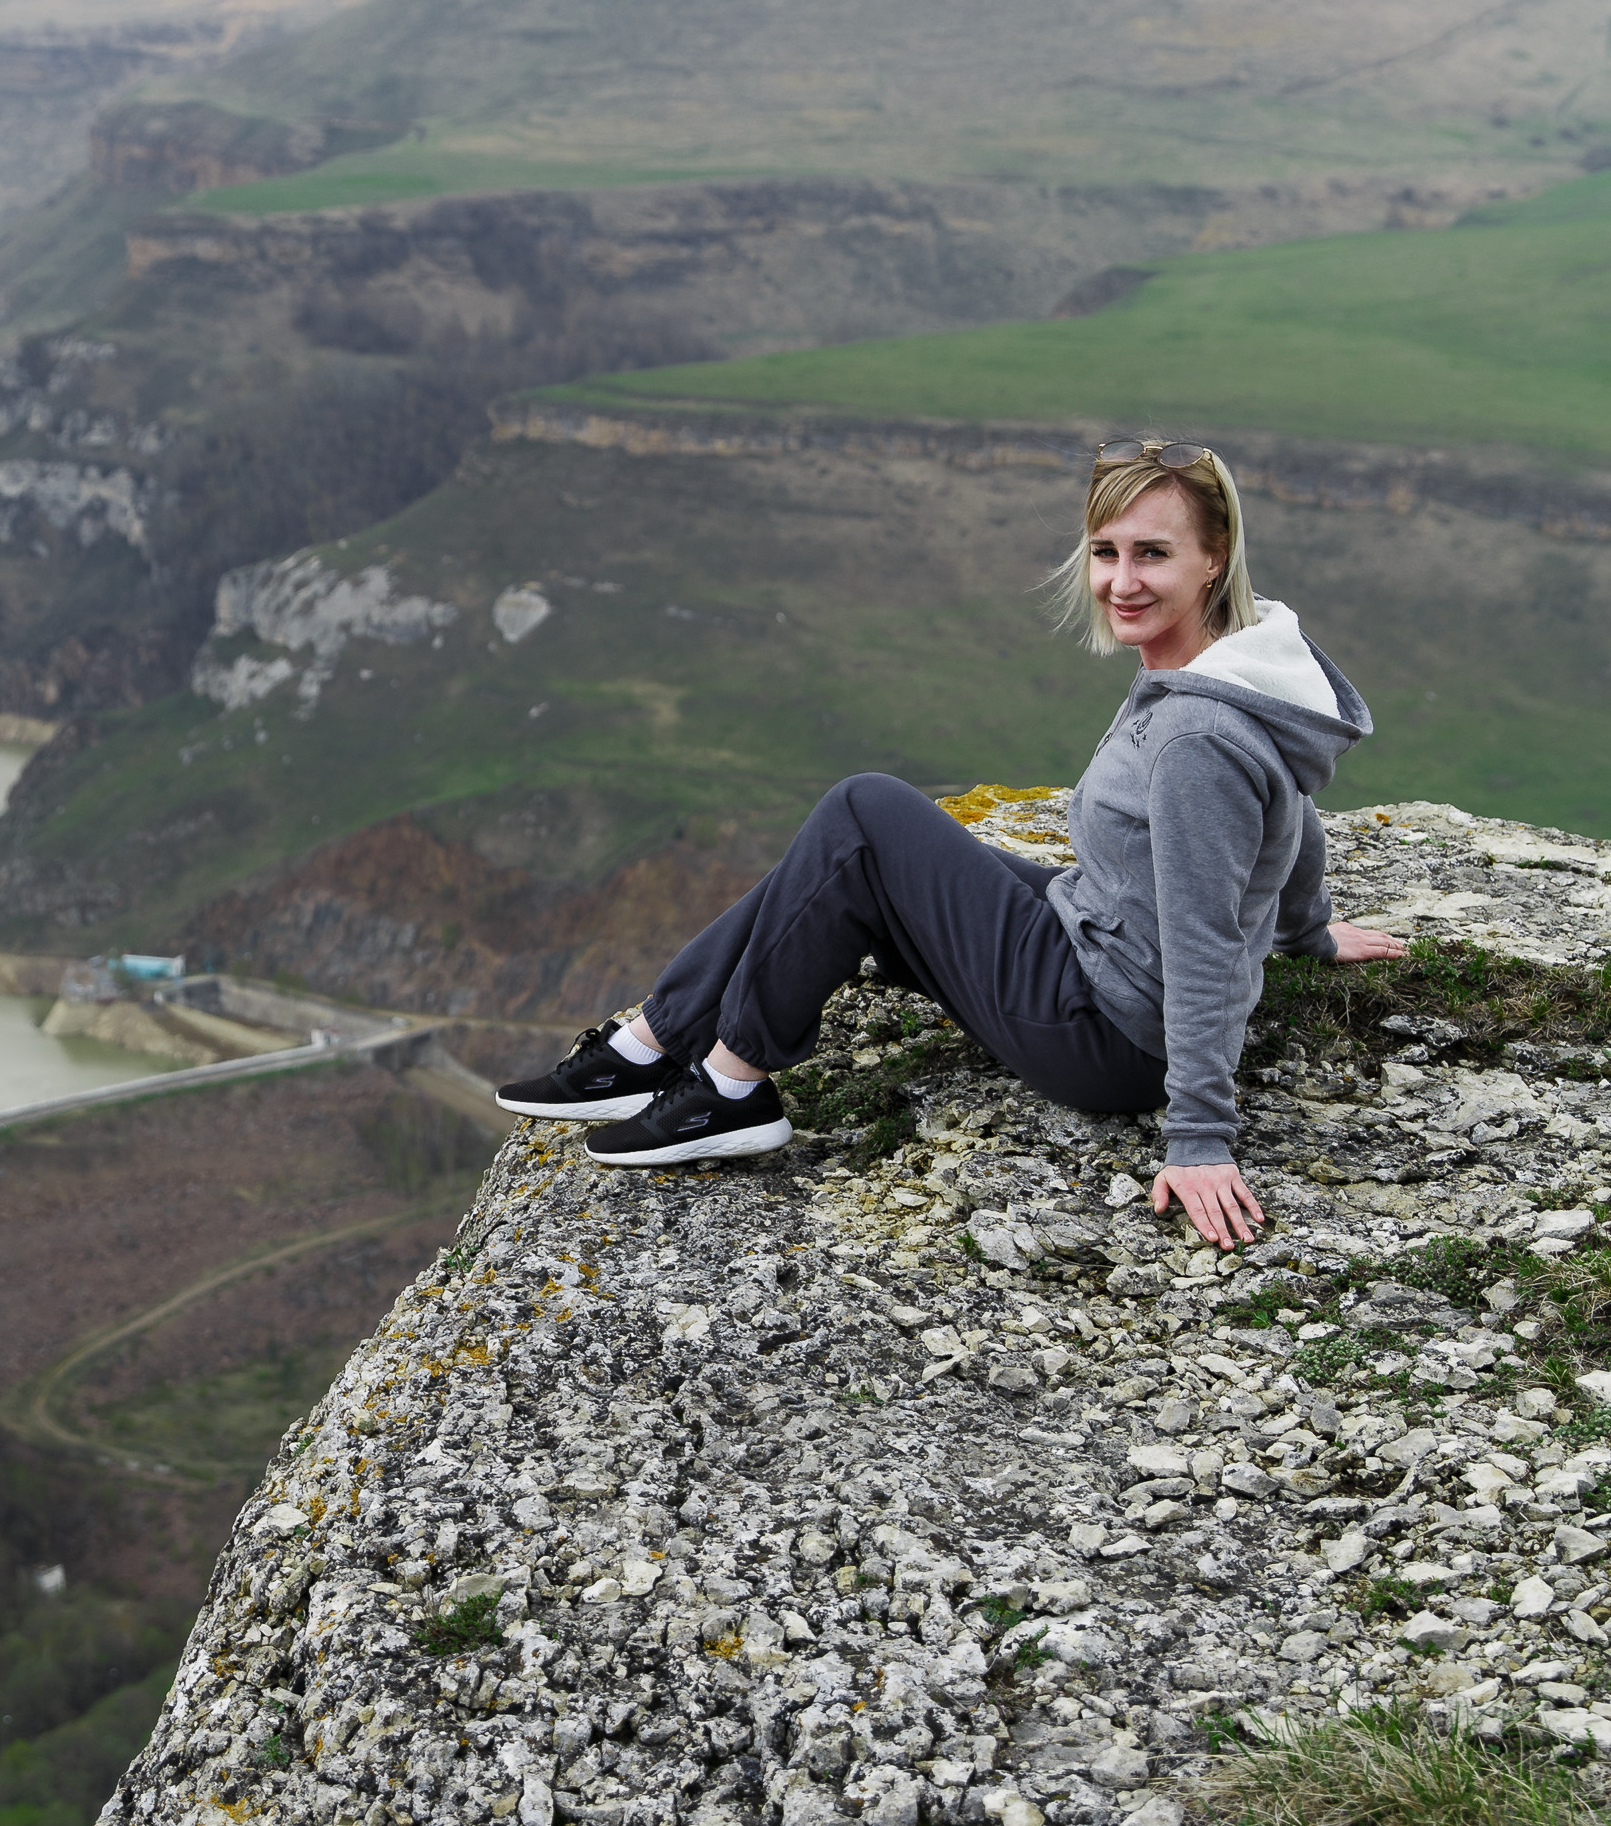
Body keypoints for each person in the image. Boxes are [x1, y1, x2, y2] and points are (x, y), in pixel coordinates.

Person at [495, 441, 1407, 1245]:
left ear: (1213, 561)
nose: (1121, 581)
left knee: (864, 809)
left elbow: (1206, 931)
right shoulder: (1242, 671)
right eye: (1105, 552)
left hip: (1107, 1032)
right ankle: (652, 1044)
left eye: (1153, 555)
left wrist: (1201, 1137)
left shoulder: (1195, 737)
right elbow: (1287, 808)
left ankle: (726, 1089)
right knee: (847, 859)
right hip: (1093, 948)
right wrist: (1308, 928)